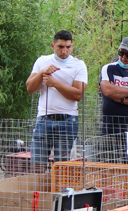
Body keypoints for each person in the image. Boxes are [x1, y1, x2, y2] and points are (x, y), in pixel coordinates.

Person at [26, 30, 87, 170]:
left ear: (72, 46)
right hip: (44, 119)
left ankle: (59, 185)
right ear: (53, 46)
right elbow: (30, 88)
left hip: (68, 120)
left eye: (68, 47)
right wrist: (42, 73)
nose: (64, 51)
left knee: (62, 168)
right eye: (60, 47)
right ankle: (39, 185)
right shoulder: (42, 61)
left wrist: (55, 84)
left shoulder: (79, 65)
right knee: (37, 165)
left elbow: (78, 95)